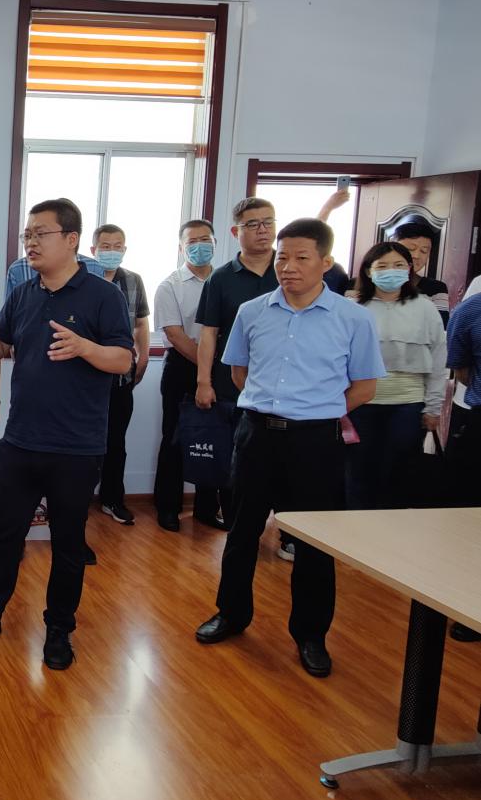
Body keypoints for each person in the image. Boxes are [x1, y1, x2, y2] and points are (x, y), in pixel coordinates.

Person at [0, 199, 133, 671]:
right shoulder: (24, 294)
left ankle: (58, 629)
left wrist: (85, 347)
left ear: (71, 240)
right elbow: (3, 346)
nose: (30, 242)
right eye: (27, 234)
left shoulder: (103, 296)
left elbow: (123, 359)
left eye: (40, 233)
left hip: (76, 446)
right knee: (4, 536)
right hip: (22, 440)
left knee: (68, 545)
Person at [195, 219, 384, 678]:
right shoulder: (252, 311)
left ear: (326, 262)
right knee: (242, 532)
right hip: (256, 436)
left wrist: (315, 410)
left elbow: (365, 387)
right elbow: (239, 373)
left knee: (313, 543)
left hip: (315, 442)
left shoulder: (353, 318)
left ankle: (311, 635)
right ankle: (232, 614)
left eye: (301, 257)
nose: (288, 266)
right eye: (282, 257)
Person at [195, 197, 280, 545]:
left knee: (282, 463)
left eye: (268, 222)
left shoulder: (289, 271)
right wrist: (203, 382)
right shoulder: (221, 279)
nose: (262, 230)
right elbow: (209, 334)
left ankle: (287, 534)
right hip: (232, 384)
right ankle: (237, 530)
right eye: (253, 224)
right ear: (236, 231)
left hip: (282, 385)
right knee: (236, 460)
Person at [345, 242, 447, 510]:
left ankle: (394, 526)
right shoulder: (352, 307)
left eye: (399, 265)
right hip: (360, 402)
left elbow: (439, 359)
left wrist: (433, 407)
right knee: (359, 469)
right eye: (382, 266)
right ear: (368, 271)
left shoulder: (424, 307)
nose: (391, 271)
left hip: (408, 403)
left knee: (400, 471)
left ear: (409, 269)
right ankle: (355, 526)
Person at [152, 220, 224, 532]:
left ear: (215, 243)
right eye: (192, 241)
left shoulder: (223, 280)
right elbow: (174, 334)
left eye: (205, 239)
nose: (199, 246)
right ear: (181, 247)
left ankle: (207, 509)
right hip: (182, 366)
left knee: (215, 438)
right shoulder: (170, 285)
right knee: (175, 438)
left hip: (222, 368)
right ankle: (168, 507)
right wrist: (207, 366)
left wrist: (217, 370)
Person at [89, 224, 149, 526]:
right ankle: (77, 499)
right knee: (85, 441)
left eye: (117, 246)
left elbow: (141, 323)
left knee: (116, 442)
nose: (111, 251)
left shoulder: (133, 280)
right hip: (87, 378)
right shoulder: (84, 280)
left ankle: (112, 499)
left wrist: (144, 355)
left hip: (121, 375)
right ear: (93, 250)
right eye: (105, 246)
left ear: (124, 250)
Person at [445, 291, 481, 642]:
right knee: (471, 518)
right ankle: (470, 607)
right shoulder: (472, 309)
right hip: (478, 421)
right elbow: (462, 370)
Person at [392, 221, 450, 324]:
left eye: (424, 251)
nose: (416, 256)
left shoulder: (436, 289)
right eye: (410, 249)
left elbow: (439, 327)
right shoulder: (375, 282)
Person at [4, 244, 103, 301]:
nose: (32, 242)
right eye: (27, 236)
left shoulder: (93, 267)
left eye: (42, 234)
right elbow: (8, 323)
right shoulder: (18, 269)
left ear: (71, 239)